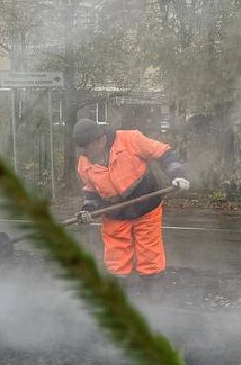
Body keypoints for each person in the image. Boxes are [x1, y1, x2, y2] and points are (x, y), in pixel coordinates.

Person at [72, 118, 190, 280]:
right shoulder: (84, 164)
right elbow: (92, 193)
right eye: (83, 149)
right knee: (116, 267)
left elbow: (163, 152)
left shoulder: (130, 139)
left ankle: (153, 294)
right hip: (115, 217)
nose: (86, 153)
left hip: (147, 209)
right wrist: (88, 210)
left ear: (101, 139)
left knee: (150, 261)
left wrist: (178, 175)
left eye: (88, 147)